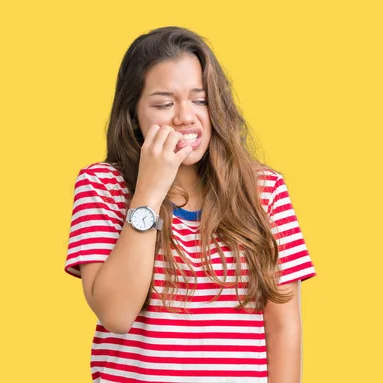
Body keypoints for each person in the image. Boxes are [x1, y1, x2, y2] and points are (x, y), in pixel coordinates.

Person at [64, 26, 316, 383]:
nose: (185, 117)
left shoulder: (265, 191)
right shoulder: (102, 187)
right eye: (164, 104)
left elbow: (283, 328)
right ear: (133, 113)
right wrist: (149, 193)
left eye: (200, 100)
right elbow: (116, 314)